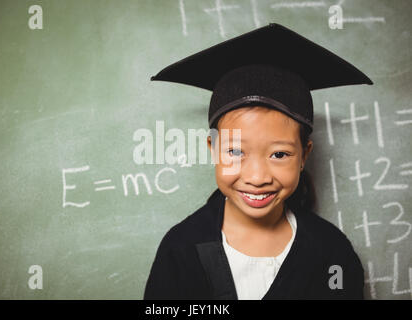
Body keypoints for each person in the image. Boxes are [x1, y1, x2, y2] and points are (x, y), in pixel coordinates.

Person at [144, 23, 372, 300]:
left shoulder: (331, 252)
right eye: (236, 152)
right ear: (213, 149)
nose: (257, 176)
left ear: (304, 155)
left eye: (279, 154)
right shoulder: (180, 249)